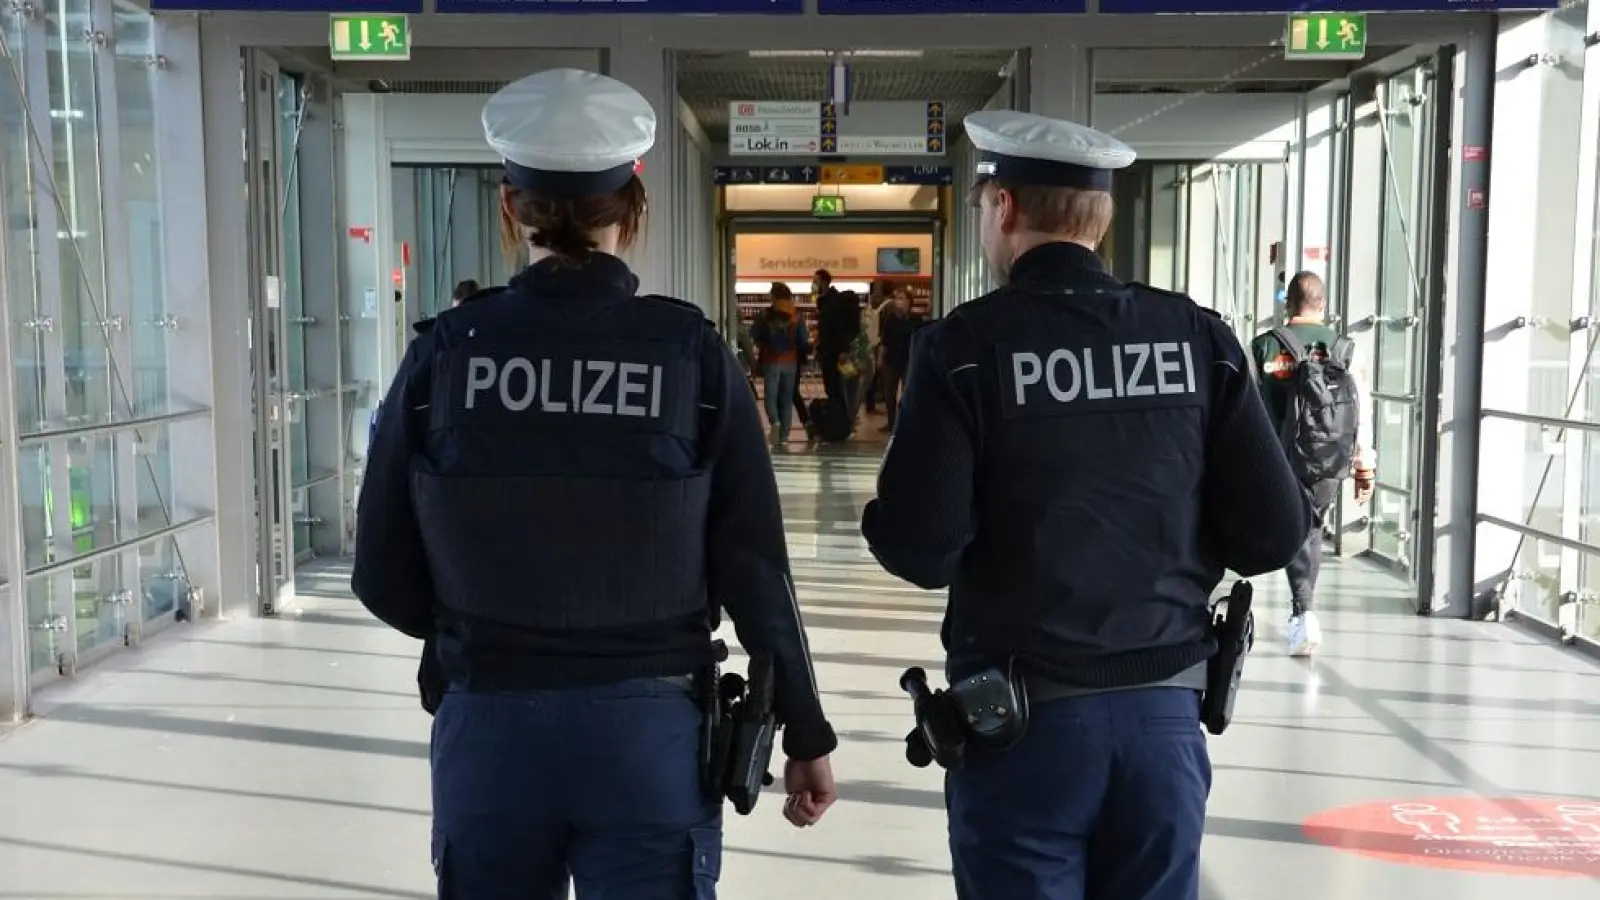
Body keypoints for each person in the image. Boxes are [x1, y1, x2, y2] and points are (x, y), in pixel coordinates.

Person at [352, 67, 838, 900]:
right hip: (649, 734)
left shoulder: (445, 355)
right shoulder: (692, 359)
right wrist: (806, 726)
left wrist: (478, 632)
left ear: (511, 208)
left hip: (490, 724)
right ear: (634, 209)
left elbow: (380, 570)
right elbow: (756, 566)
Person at [859, 109, 1314, 900]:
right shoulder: (1197, 337)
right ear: (1098, 219)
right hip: (1165, 721)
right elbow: (1273, 534)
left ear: (1002, 207)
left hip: (1022, 728)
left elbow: (920, 549)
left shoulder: (966, 347)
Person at [1250, 270, 1375, 658]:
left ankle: (1303, 613)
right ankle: (1302, 612)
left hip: (1278, 457)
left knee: (1297, 528)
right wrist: (1363, 465)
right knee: (1310, 529)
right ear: (1322, 305)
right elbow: (1360, 409)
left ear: (1288, 303)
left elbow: (1247, 407)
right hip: (1328, 457)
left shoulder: (1264, 347)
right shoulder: (1344, 348)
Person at [750, 283, 811, 447]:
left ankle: (775, 422)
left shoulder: (765, 315)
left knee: (770, 395)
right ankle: (784, 436)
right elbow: (803, 339)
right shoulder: (797, 315)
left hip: (771, 360)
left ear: (773, 296)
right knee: (786, 399)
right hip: (791, 361)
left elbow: (754, 333)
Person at [875, 287, 922, 434]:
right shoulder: (891, 319)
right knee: (889, 393)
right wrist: (880, 358)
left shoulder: (916, 320)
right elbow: (884, 340)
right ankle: (891, 422)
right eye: (897, 298)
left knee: (908, 391)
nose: (898, 301)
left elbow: (920, 339)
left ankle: (906, 421)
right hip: (891, 360)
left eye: (902, 298)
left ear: (909, 302)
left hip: (909, 359)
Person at [811, 269, 858, 403]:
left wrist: (844, 350)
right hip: (830, 352)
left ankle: (840, 418)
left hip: (835, 354)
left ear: (824, 282)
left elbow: (839, 328)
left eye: (815, 282)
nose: (813, 285)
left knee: (835, 388)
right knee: (834, 387)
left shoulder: (833, 302)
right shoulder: (825, 301)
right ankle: (839, 417)